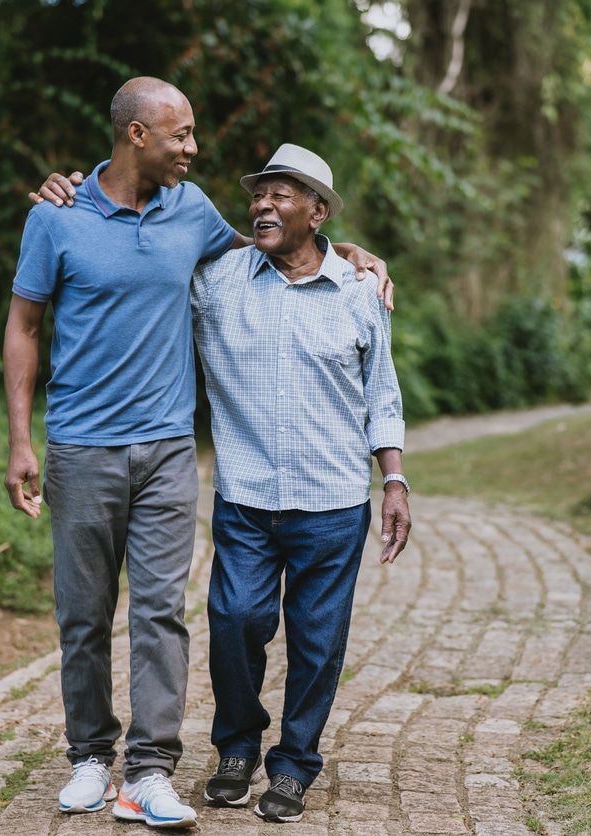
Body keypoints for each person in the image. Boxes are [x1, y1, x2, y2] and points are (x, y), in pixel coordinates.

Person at [5, 77, 391, 830]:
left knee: (161, 614)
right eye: (179, 134)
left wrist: (345, 247)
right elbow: (23, 326)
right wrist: (21, 439)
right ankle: (90, 755)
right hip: (81, 448)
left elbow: (272, 250)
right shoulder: (55, 219)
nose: (192, 147)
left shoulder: (192, 212)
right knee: (82, 616)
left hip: (169, 451)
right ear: (135, 136)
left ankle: (148, 772)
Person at [191, 144, 411, 823]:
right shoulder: (220, 279)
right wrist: (76, 192)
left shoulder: (357, 292)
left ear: (315, 213)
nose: (262, 204)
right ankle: (236, 747)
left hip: (334, 502)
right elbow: (139, 235)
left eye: (281, 195)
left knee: (317, 644)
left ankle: (293, 767)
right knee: (234, 623)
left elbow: (382, 394)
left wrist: (395, 479)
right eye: (259, 195)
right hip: (247, 499)